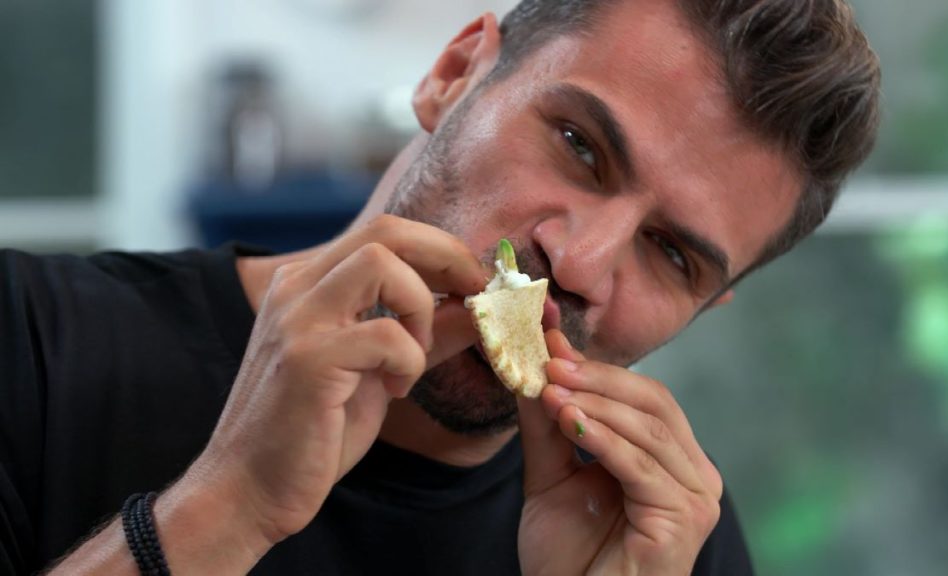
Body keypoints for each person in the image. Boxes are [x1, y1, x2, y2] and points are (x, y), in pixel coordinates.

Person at [0, 0, 880, 574]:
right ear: (453, 75)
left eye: (672, 255)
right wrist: (228, 507)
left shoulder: (667, 538)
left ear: (705, 308)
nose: (579, 264)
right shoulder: (30, 340)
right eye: (579, 145)